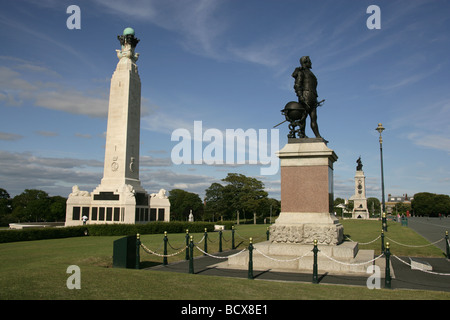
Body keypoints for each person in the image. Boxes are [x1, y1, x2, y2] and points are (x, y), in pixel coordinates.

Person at [292, 56, 323, 139]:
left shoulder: (309, 73)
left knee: (314, 118)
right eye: (310, 61)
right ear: (305, 62)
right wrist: (300, 96)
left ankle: (318, 136)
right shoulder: (301, 72)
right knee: (303, 117)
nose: (311, 63)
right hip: (306, 96)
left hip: (312, 96)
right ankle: (302, 135)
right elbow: (297, 85)